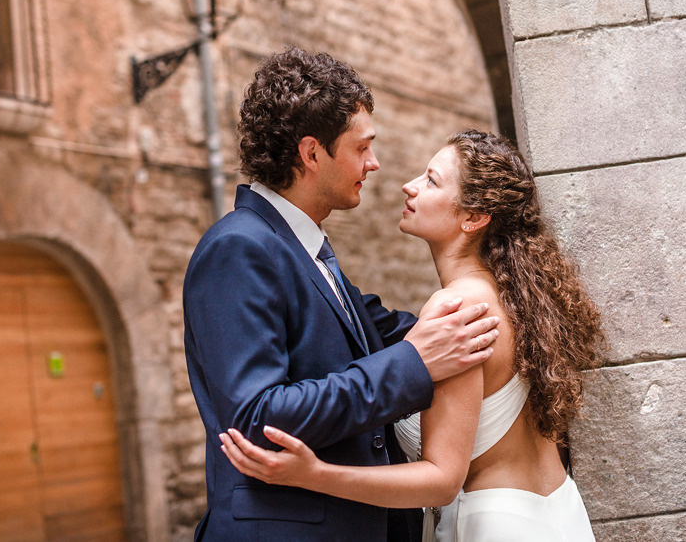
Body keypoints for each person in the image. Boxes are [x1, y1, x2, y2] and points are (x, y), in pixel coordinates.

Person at [220, 129, 605, 541]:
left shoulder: (453, 310)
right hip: (556, 513)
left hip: (494, 524)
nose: (409, 185)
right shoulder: (517, 299)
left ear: (473, 217)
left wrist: (315, 474)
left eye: (431, 180)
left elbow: (441, 481)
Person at [183, 48, 501, 541]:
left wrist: (501, 308)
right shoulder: (236, 249)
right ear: (312, 153)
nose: (374, 164)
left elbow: (387, 330)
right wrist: (415, 364)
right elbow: (257, 418)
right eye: (361, 147)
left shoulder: (305, 247)